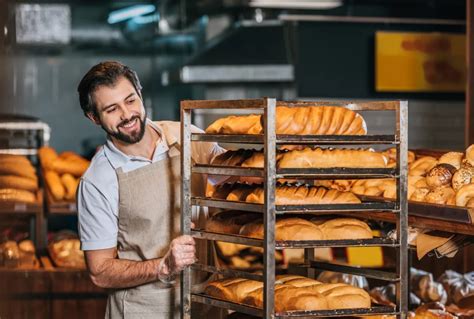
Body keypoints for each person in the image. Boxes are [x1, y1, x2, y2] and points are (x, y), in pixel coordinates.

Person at [76, 61, 224, 318]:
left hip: (204, 304)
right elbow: (99, 271)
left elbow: (236, 179)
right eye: (112, 109)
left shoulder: (186, 138)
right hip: (143, 311)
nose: (127, 115)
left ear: (140, 95)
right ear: (93, 117)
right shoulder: (98, 180)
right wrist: (163, 267)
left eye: (131, 100)